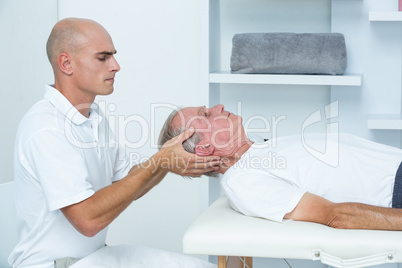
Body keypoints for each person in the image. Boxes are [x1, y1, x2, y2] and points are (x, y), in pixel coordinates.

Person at [9, 18, 220, 268]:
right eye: (103, 57)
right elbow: (87, 220)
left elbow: (130, 183)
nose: (116, 66)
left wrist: (167, 161)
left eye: (113, 56)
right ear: (66, 63)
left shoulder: (93, 117)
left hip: (94, 257)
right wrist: (160, 161)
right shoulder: (46, 128)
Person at [158, 104, 402, 231]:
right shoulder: (242, 181)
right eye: (207, 115)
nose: (219, 107)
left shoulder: (258, 152)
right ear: (204, 148)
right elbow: (336, 216)